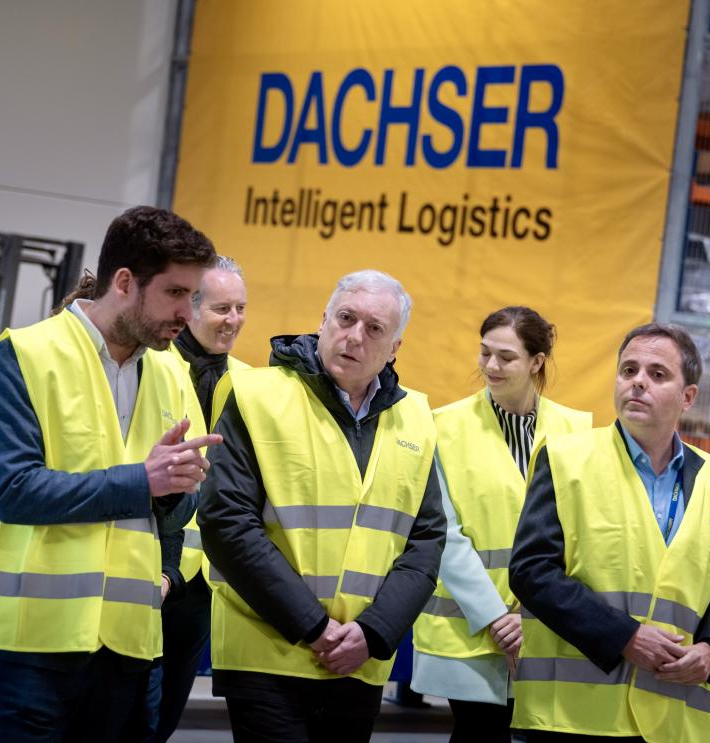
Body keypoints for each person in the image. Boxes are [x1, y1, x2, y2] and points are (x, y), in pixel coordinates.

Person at [0, 206, 222, 741]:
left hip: (131, 646)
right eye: (175, 294)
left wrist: (177, 492)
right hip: (33, 645)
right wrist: (144, 482)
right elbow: (15, 491)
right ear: (125, 282)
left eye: (192, 296)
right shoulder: (20, 357)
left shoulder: (172, 373)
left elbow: (178, 506)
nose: (187, 312)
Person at [199, 269, 447, 743]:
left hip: (358, 660)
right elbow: (227, 523)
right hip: (267, 651)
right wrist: (314, 628)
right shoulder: (257, 395)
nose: (354, 336)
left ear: (395, 347)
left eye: (374, 329)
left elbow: (426, 540)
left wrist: (372, 634)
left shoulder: (415, 417)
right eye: (345, 318)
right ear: (323, 320)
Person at [509, 322, 710, 743]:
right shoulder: (566, 460)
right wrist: (625, 637)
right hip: (573, 718)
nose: (638, 382)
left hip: (677, 718)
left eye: (657, 375)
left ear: (688, 397)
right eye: (628, 370)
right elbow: (532, 570)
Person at [411, 306, 592, 742]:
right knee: (478, 733)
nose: (491, 366)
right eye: (485, 352)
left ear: (536, 362)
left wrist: (530, 616)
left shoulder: (578, 431)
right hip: (469, 628)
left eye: (506, 357)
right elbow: (444, 531)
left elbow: (579, 536)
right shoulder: (443, 425)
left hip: (545, 624)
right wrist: (497, 617)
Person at [149, 255, 250, 741]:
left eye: (241, 308)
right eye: (222, 308)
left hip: (204, 580)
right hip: (147, 565)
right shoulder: (151, 367)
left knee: (164, 716)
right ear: (190, 309)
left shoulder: (251, 384)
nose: (233, 320)